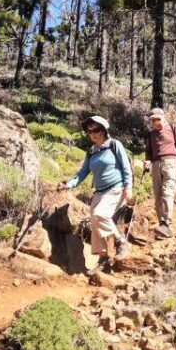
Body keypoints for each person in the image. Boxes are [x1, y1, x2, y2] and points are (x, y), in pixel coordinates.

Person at [58, 115, 132, 273]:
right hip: (99, 193)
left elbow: (126, 167)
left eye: (96, 129)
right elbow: (82, 173)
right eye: (89, 130)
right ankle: (103, 260)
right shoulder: (91, 152)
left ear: (104, 130)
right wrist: (68, 185)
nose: (92, 133)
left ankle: (121, 242)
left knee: (100, 214)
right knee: (96, 223)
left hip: (116, 189)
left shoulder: (114, 145)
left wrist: (128, 187)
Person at [144, 108, 176, 239]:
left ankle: (167, 223)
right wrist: (147, 161)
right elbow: (148, 151)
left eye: (158, 119)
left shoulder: (173, 128)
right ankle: (161, 223)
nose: (156, 122)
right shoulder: (151, 134)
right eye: (153, 120)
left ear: (163, 117)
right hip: (156, 165)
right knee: (157, 196)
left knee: (168, 193)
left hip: (171, 163)